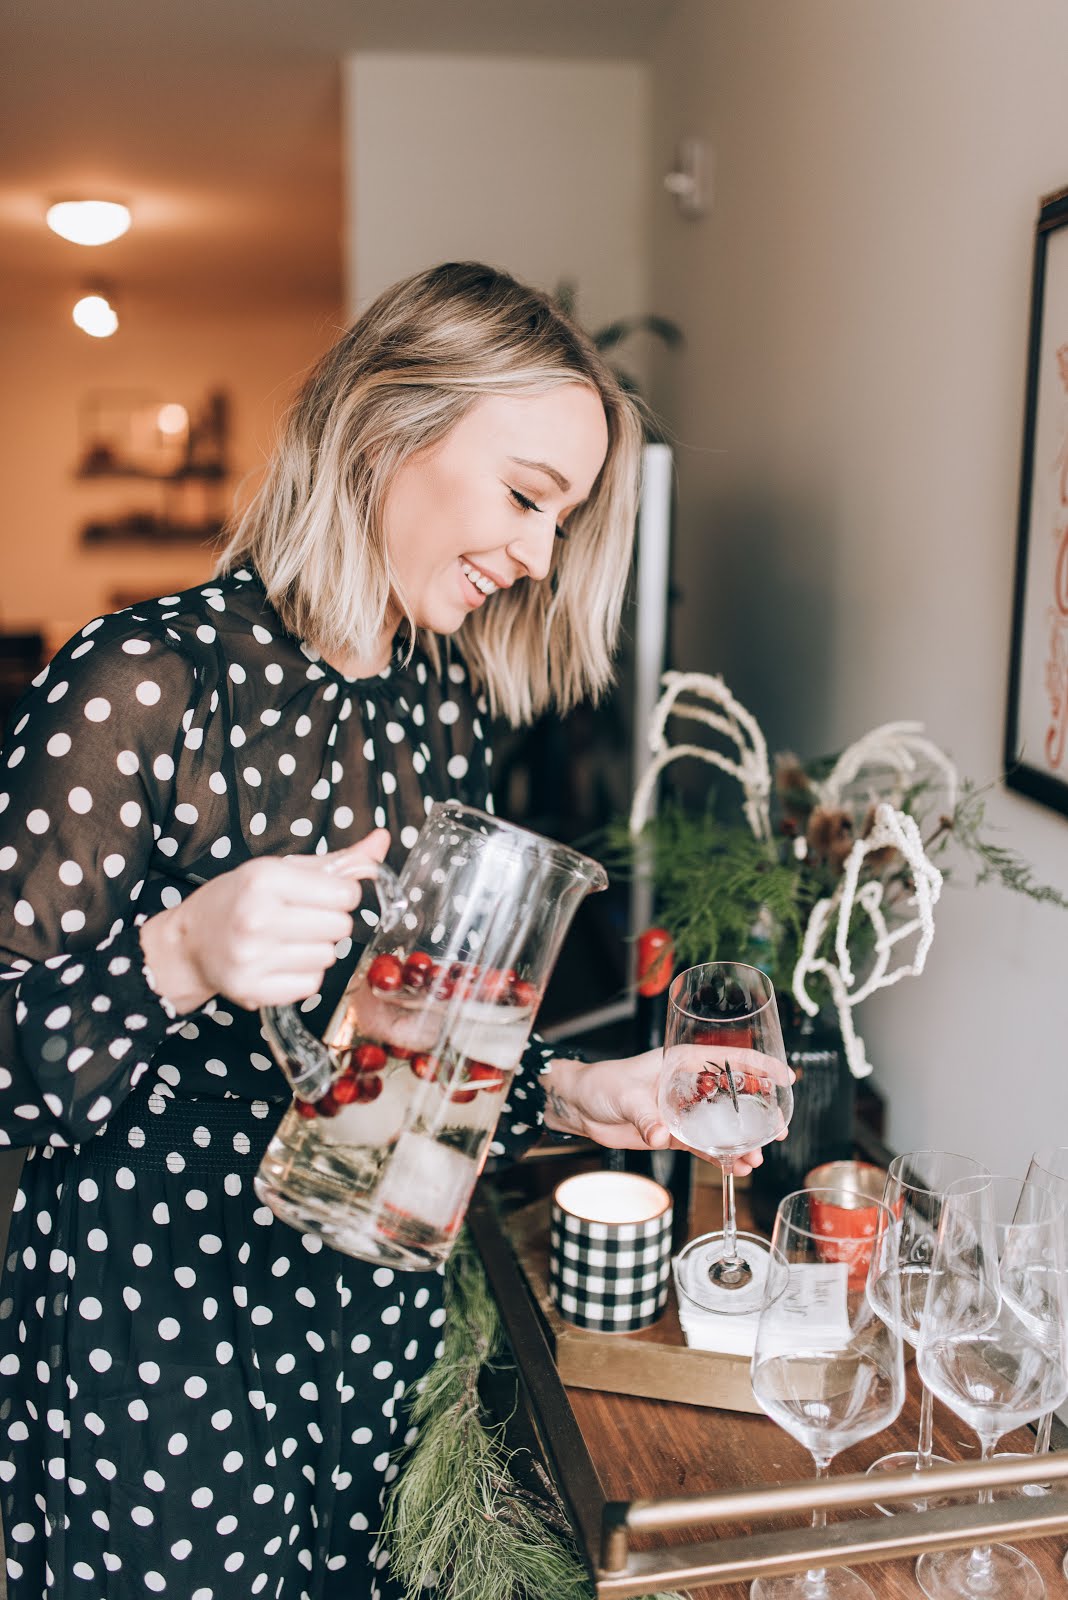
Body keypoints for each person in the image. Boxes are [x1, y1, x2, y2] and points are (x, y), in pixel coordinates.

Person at [0, 262, 775, 1599]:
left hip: (369, 1322)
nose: (539, 557)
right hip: (165, 1329)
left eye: (563, 518)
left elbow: (401, 1062)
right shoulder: (144, 681)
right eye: (526, 496)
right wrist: (180, 956)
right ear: (385, 427)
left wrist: (582, 1091)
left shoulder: (437, 708)